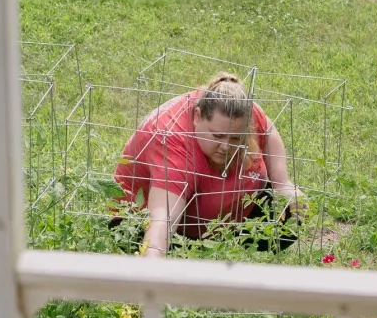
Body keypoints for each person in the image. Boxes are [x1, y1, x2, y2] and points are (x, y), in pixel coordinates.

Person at [114, 72, 302, 257]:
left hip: (223, 217)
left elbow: (267, 129)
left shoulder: (239, 111)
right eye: (217, 136)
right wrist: (152, 262)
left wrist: (282, 184)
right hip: (146, 227)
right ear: (197, 116)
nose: (226, 146)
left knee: (291, 212)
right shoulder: (174, 145)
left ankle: (230, 254)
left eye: (236, 138)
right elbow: (162, 218)